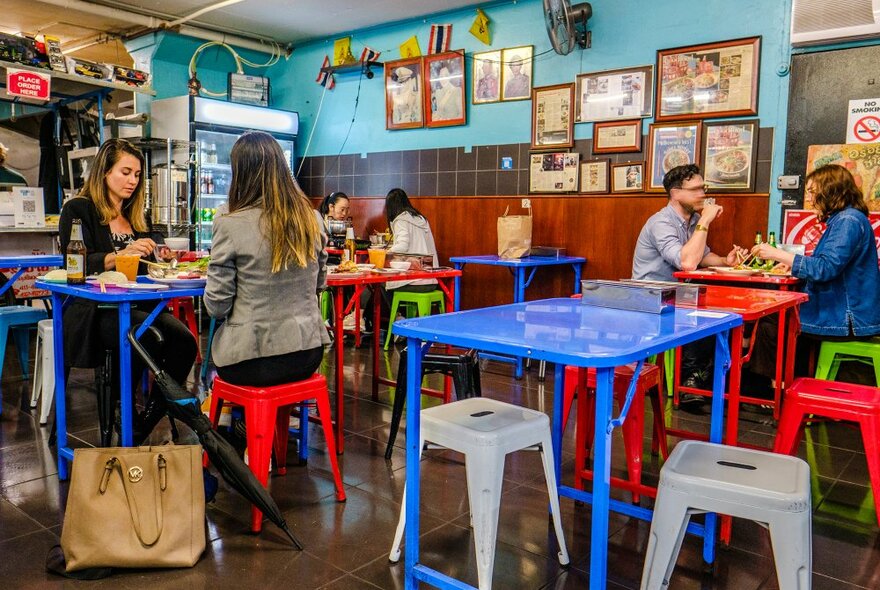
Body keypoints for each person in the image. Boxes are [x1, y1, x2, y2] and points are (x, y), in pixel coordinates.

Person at [58, 138, 197, 443]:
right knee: (143, 336)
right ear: (104, 172)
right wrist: (120, 255)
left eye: (137, 174)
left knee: (185, 343)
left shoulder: (136, 215)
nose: (133, 181)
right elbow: (76, 262)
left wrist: (159, 259)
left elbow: (143, 269)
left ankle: (144, 421)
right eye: (125, 172)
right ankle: (124, 410)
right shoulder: (79, 209)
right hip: (93, 309)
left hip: (136, 306)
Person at [205, 131, 329, 387]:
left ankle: (236, 423)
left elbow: (217, 307)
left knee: (220, 355)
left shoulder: (229, 223)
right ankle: (248, 423)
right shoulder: (312, 219)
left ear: (239, 173)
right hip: (308, 353)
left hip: (255, 358)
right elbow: (319, 284)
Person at [748, 164, 880, 382]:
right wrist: (793, 268)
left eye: (812, 191)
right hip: (844, 311)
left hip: (847, 318)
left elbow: (825, 269)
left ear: (830, 190)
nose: (809, 198)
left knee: (772, 319)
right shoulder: (846, 219)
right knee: (776, 317)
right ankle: (785, 385)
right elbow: (832, 267)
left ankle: (773, 391)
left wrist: (778, 254)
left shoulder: (847, 221)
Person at [632, 164, 747, 410]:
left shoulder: (691, 220)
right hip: (649, 297)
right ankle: (690, 383)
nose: (702, 194)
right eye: (695, 189)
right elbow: (687, 261)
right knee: (701, 312)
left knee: (717, 312)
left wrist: (726, 261)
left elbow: (702, 256)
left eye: (703, 188)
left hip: (674, 295)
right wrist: (706, 220)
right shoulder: (661, 222)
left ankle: (704, 379)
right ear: (675, 193)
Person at [385, 188, 439, 293]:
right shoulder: (421, 218)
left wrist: (385, 253)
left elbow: (402, 246)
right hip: (432, 279)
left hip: (415, 281)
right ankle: (399, 309)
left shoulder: (401, 220)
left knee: (380, 284)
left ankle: (395, 310)